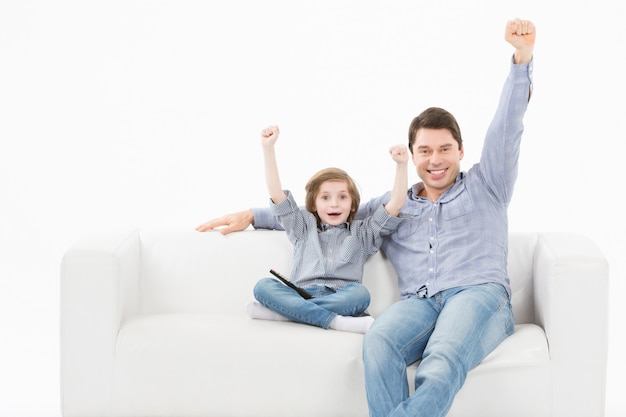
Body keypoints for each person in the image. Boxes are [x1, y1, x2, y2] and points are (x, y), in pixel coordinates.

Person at [197, 17, 535, 417]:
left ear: (460, 151)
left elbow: (507, 129)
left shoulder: (487, 184)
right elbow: (326, 216)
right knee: (378, 341)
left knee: (440, 360)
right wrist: (253, 215)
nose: (435, 159)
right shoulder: (392, 206)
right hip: (420, 303)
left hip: (478, 295)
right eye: (425, 151)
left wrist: (521, 59)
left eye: (444, 149)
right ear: (412, 156)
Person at [246, 125, 409, 333]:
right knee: (263, 286)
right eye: (325, 197)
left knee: (360, 294)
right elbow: (277, 195)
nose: (334, 204)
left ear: (352, 204)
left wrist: (401, 165)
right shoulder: (303, 227)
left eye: (342, 197)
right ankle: (334, 321)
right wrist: (268, 149)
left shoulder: (362, 233)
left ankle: (288, 314)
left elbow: (395, 205)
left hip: (341, 297)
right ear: (314, 204)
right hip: (299, 294)